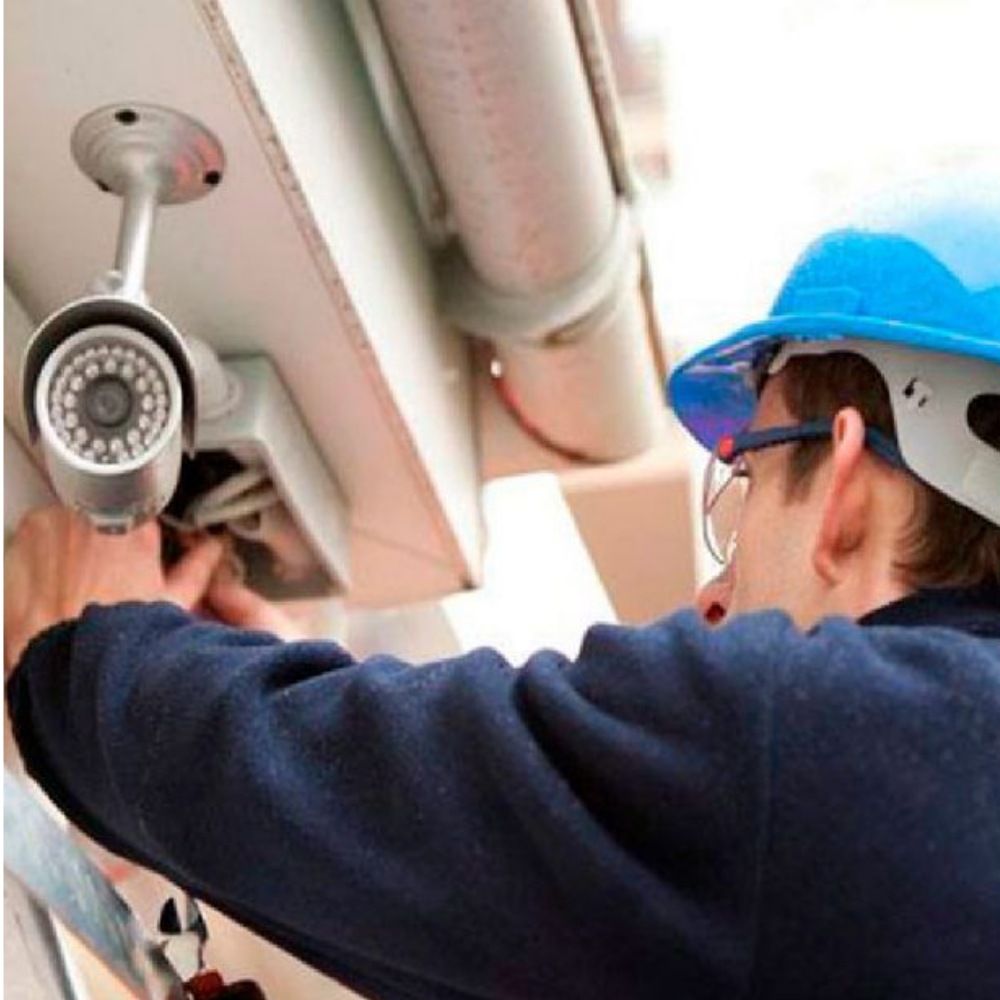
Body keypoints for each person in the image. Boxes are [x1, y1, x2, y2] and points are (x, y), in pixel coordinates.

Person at [5, 177, 999, 1000]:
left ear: (845, 487)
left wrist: (87, 656)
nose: (713, 595)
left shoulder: (851, 737)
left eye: (747, 489)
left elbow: (378, 790)